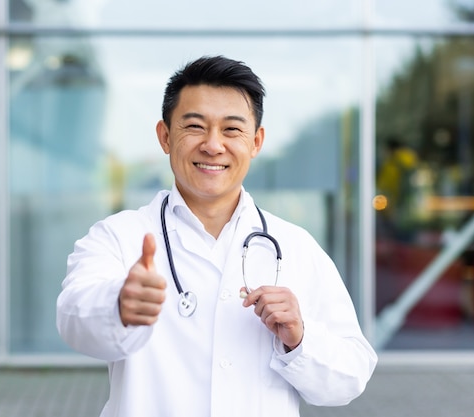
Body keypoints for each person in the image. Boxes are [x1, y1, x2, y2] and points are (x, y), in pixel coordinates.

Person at [57, 55, 377, 417]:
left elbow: (351, 376)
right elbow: (73, 318)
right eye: (194, 126)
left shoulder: (295, 246)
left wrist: (300, 339)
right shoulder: (118, 236)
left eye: (231, 130)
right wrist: (117, 305)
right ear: (165, 136)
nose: (213, 145)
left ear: (256, 142)